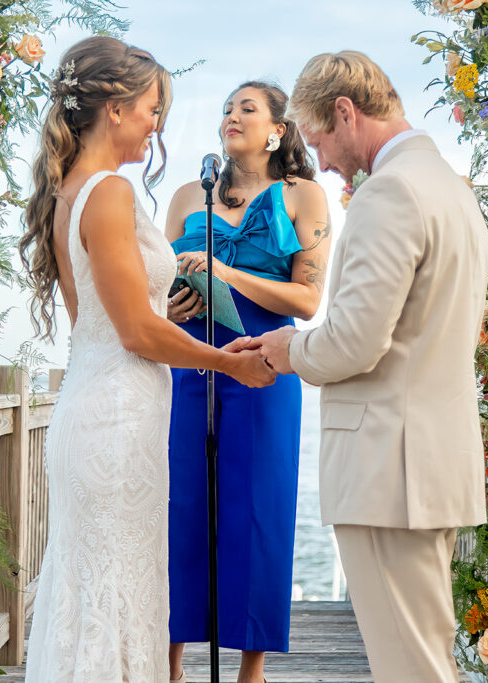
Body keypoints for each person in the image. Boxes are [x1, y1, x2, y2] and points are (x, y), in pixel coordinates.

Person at [18, 37, 275, 682]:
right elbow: (132, 332)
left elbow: (103, 323)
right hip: (118, 414)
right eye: (152, 107)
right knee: (115, 579)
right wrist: (228, 363)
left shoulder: (71, 189)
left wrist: (169, 318)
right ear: (113, 107)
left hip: (101, 399)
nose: (157, 123)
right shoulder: (108, 193)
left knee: (101, 584)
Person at [256, 51, 488, 682]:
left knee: (410, 670)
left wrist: (287, 350)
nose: (322, 161)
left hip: (391, 472)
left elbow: (357, 342)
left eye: (319, 140)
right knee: (426, 661)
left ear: (345, 111)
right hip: (430, 466)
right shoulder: (449, 187)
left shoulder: (389, 191)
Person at [162, 81, 331, 683]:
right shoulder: (187, 194)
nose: (232, 116)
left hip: (265, 361)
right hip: (191, 359)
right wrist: (172, 307)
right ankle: (172, 662)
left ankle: (249, 669)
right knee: (182, 503)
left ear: (277, 130)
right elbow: (156, 290)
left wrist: (226, 271)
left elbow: (308, 301)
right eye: (226, 108)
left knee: (260, 503)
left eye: (247, 109)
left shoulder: (303, 196)